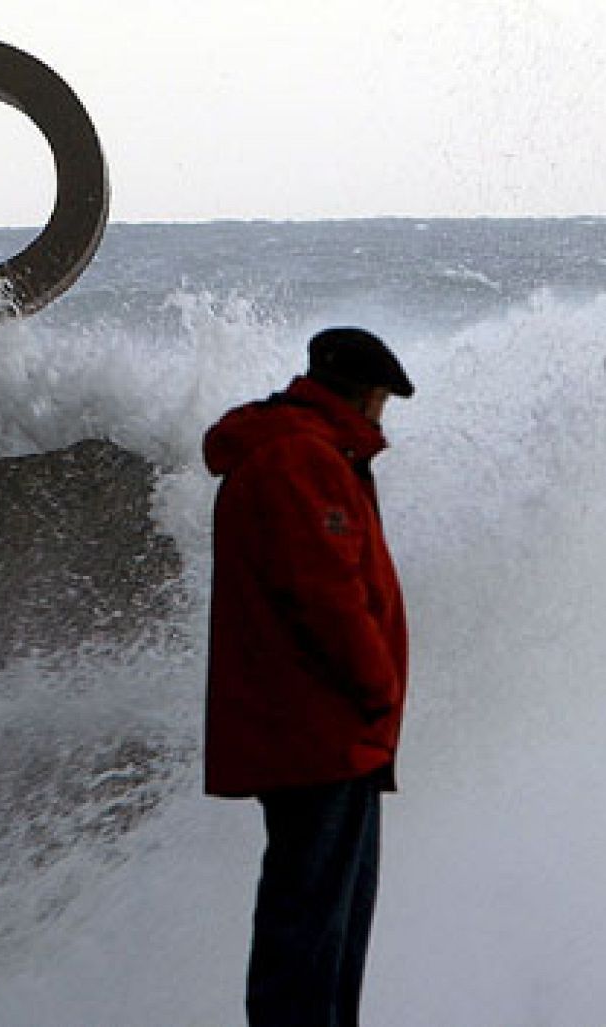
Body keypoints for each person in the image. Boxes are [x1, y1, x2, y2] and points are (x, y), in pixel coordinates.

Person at [202, 326, 414, 1026]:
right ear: (365, 394)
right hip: (321, 729)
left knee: (328, 920)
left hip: (325, 728)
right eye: (382, 399)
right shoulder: (302, 458)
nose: (383, 417)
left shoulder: (304, 451)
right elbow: (327, 596)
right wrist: (379, 688)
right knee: (312, 925)